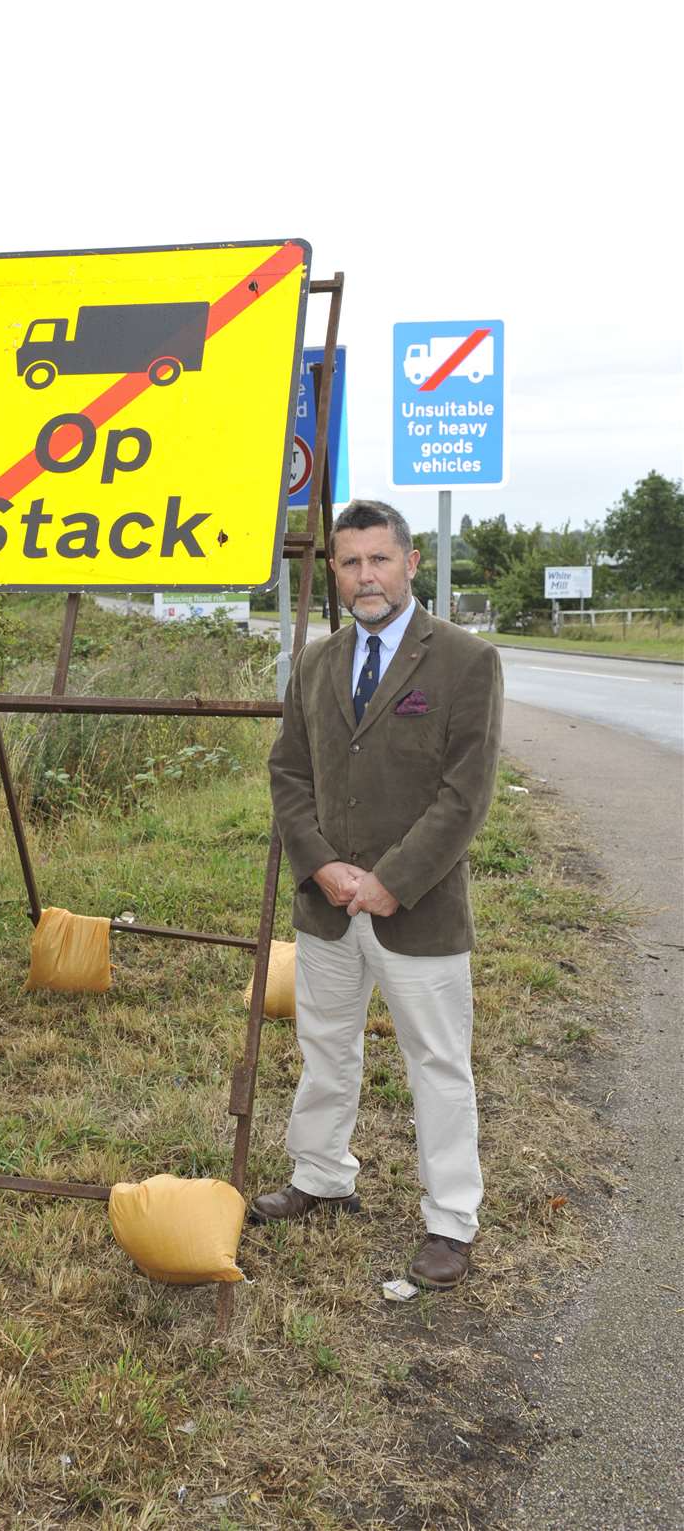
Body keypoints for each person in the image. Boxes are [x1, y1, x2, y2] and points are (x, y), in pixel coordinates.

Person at [253, 500, 503, 1289]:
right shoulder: (318, 662)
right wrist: (322, 864)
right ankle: (322, 1177)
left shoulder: (465, 661)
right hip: (326, 905)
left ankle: (451, 1221)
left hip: (418, 911)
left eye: (380, 560)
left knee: (438, 1062)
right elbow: (289, 773)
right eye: (350, 561)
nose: (366, 576)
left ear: (411, 563)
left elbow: (464, 797)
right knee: (325, 1049)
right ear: (334, 568)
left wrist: (392, 881)